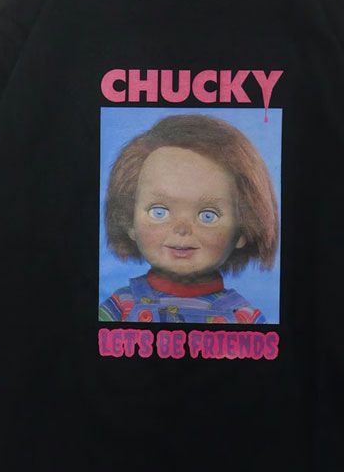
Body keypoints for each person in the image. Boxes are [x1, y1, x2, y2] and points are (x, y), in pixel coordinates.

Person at [99, 113, 279, 323]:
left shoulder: (244, 318)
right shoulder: (119, 306)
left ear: (243, 230)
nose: (182, 228)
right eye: (159, 212)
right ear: (129, 221)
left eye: (208, 216)